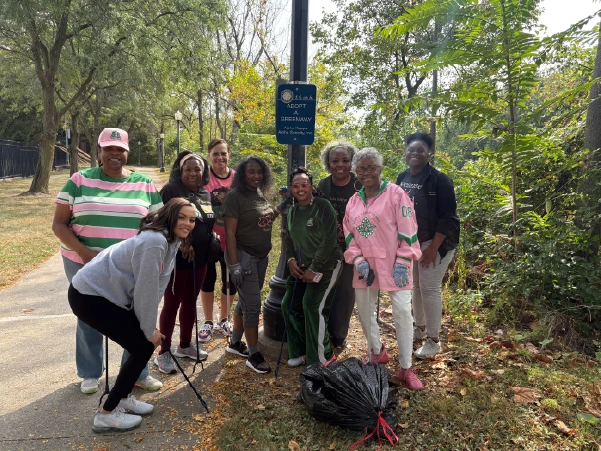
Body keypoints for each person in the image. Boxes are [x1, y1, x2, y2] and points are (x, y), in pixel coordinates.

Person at [68, 198, 196, 433]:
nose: (188, 223)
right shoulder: (154, 241)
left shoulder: (171, 239)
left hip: (105, 296)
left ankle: (124, 398)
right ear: (169, 216)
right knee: (142, 346)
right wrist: (148, 331)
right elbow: (145, 289)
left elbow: (157, 285)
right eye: (182, 217)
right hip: (88, 295)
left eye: (192, 219)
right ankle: (106, 414)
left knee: (142, 344)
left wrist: (148, 326)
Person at [53, 127, 163, 394]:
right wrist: (84, 252)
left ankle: (137, 372)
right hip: (84, 260)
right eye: (109, 148)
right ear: (99, 151)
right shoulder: (79, 180)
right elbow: (59, 224)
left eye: (120, 149)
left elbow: (159, 224)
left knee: (138, 315)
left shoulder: (145, 184)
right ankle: (90, 372)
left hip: (130, 265)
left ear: (127, 152)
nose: (115, 153)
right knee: (90, 314)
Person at [343, 148, 424, 390]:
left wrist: (403, 261)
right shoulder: (353, 201)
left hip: (394, 263)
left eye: (371, 167)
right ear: (356, 172)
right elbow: (349, 233)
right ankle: (377, 352)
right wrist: (358, 259)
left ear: (379, 169)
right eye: (361, 169)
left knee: (402, 312)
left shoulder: (396, 194)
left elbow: (409, 229)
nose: (367, 173)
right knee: (364, 312)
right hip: (365, 265)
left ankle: (406, 367)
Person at [396, 132, 460, 359]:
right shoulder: (402, 177)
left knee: (429, 288)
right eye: (411, 150)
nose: (415, 154)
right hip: (412, 241)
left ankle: (434, 340)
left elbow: (447, 217)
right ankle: (419, 328)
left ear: (428, 153)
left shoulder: (439, 180)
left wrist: (433, 248)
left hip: (436, 242)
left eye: (420, 150)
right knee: (415, 286)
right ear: (406, 152)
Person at [155, 151, 214, 373]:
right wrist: (181, 241)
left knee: (190, 302)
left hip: (201, 259)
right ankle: (164, 352)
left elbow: (206, 222)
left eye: (197, 169)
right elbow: (158, 220)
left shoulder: (205, 193)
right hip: (175, 259)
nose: (192, 173)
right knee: (172, 304)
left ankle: (185, 345)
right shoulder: (171, 190)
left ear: (204, 172)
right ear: (180, 171)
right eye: (187, 169)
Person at [281, 167, 342, 367]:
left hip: (328, 264)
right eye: (296, 186)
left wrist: (314, 268)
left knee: (312, 305)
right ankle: (304, 351)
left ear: (311, 186)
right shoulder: (292, 211)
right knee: (288, 305)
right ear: (291, 189)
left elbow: (329, 240)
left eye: (304, 184)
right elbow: (289, 240)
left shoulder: (323, 206)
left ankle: (323, 357)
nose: (300, 189)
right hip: (303, 265)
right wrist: (291, 260)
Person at [222, 155, 274, 374]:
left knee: (245, 301)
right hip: (244, 257)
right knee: (252, 305)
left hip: (261, 257)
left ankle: (235, 343)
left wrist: (280, 207)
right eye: (251, 172)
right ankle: (253, 354)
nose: (256, 176)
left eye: (259, 172)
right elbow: (229, 233)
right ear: (242, 174)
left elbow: (263, 220)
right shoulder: (235, 197)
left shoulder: (260, 194)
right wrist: (234, 265)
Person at [316, 141, 362, 349]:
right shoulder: (323, 185)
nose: (340, 165)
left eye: (345, 160)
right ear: (328, 163)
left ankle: (339, 334)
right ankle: (323, 331)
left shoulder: (359, 185)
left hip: (353, 247)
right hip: (327, 247)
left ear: (352, 162)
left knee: (345, 290)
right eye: (335, 161)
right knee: (326, 288)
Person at [198, 139, 237, 342]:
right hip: (208, 239)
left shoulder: (237, 178)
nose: (220, 157)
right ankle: (208, 321)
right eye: (215, 153)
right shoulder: (203, 178)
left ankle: (224, 318)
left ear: (229, 154)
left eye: (223, 153)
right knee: (208, 279)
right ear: (209, 155)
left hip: (232, 239)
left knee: (230, 281)